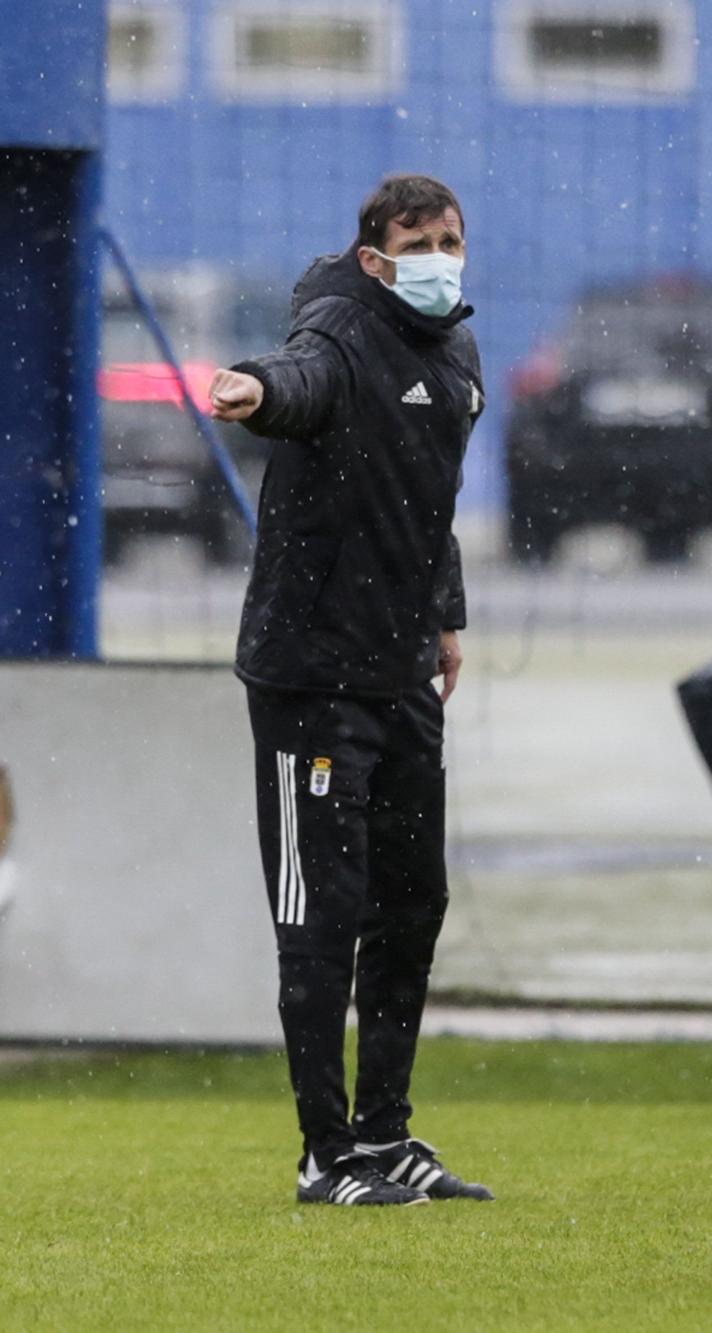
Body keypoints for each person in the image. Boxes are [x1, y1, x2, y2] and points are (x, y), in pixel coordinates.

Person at [208, 174, 491, 1207]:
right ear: (375, 258)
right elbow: (299, 377)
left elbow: (434, 498)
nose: (440, 257)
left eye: (453, 239)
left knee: (412, 903)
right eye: (420, 241)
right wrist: (254, 390)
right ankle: (324, 1151)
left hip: (401, 668)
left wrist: (445, 615)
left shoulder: (458, 349)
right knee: (318, 917)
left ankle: (387, 1138)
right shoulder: (337, 328)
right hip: (312, 674)